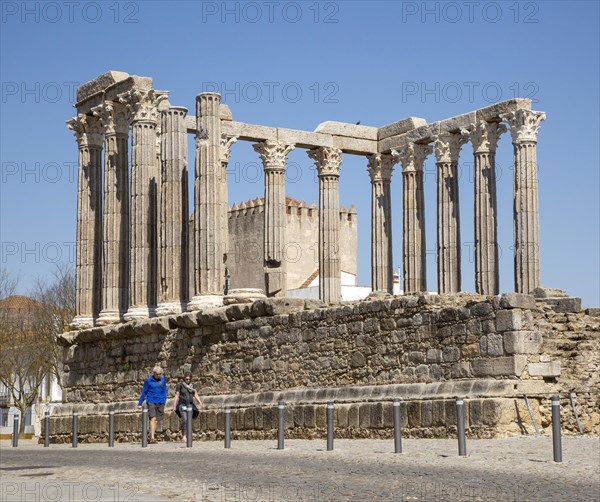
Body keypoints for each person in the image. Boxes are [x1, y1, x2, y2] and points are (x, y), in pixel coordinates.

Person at [137, 366, 167, 444]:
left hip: (160, 402)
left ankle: (152, 435)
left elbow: (164, 391)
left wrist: (164, 400)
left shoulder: (162, 380)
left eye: (160, 374)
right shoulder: (148, 380)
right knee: (152, 418)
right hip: (151, 401)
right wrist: (140, 403)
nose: (158, 375)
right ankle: (152, 437)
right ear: (154, 373)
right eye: (157, 374)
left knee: (156, 420)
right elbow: (144, 392)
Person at [172, 372, 203, 441]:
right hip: (182, 405)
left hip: (190, 405)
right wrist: (174, 406)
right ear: (184, 379)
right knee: (185, 419)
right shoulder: (180, 386)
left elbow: (195, 394)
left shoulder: (192, 386)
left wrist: (200, 402)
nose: (188, 380)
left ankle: (188, 435)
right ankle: (184, 435)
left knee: (189, 420)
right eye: (186, 379)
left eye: (189, 379)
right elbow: (177, 395)